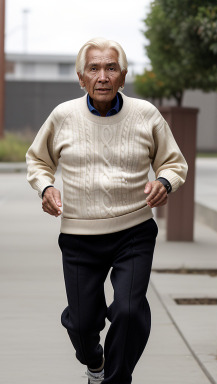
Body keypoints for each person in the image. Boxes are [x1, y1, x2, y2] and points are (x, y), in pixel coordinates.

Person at [26, 37, 188, 384]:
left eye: (111, 68)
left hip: (134, 231)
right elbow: (38, 160)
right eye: (94, 68)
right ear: (81, 78)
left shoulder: (146, 114)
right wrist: (46, 186)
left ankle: (115, 380)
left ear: (123, 76)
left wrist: (164, 182)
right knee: (83, 324)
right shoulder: (63, 116)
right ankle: (94, 363)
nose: (103, 76)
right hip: (80, 235)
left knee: (129, 311)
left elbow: (174, 163)